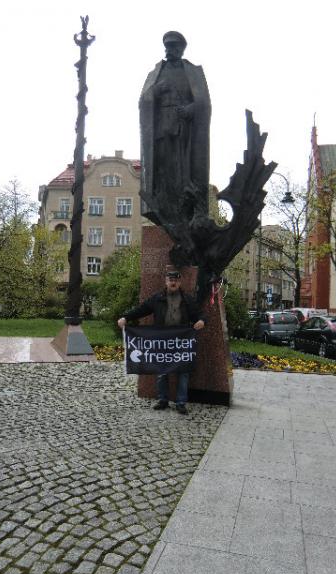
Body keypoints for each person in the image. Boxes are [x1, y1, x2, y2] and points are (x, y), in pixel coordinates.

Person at [139, 31, 211, 225]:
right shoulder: (156, 72)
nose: (170, 50)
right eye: (168, 47)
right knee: (162, 167)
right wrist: (155, 91)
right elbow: (143, 100)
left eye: (174, 47)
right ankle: (164, 202)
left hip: (183, 129)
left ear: (181, 49)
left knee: (181, 168)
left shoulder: (193, 72)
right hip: (161, 127)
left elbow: (203, 103)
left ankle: (181, 205)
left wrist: (190, 109)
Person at [117, 270, 205, 414]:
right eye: (170, 280)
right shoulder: (157, 298)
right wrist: (125, 318)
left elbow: (199, 314)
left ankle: (181, 402)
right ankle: (163, 399)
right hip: (161, 341)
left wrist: (202, 320)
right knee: (161, 371)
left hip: (181, 341)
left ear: (180, 282)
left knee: (183, 372)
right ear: (166, 281)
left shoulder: (187, 299)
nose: (173, 282)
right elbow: (142, 309)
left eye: (176, 280)